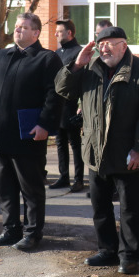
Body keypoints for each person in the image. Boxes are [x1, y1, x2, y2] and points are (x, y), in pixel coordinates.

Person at [55, 26, 139, 275]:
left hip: (127, 153)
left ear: (124, 46)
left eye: (110, 43)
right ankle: (107, 250)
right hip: (94, 151)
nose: (104, 48)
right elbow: (63, 90)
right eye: (100, 44)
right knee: (100, 206)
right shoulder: (90, 68)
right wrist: (76, 65)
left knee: (129, 208)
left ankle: (129, 256)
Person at [0, 13, 63, 250]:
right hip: (0, 134)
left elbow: (54, 95)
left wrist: (45, 124)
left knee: (31, 188)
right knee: (4, 187)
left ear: (36, 33)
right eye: (16, 27)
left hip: (29, 134)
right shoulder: (1, 56)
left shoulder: (47, 59)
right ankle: (11, 229)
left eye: (24, 27)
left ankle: (32, 233)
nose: (18, 30)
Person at [50, 19, 85, 192]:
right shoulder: (57, 53)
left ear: (69, 33)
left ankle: (79, 179)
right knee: (60, 143)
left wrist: (81, 106)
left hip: (72, 105)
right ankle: (63, 176)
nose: (56, 34)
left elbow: (81, 81)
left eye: (60, 31)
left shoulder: (79, 53)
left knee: (75, 144)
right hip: (58, 107)